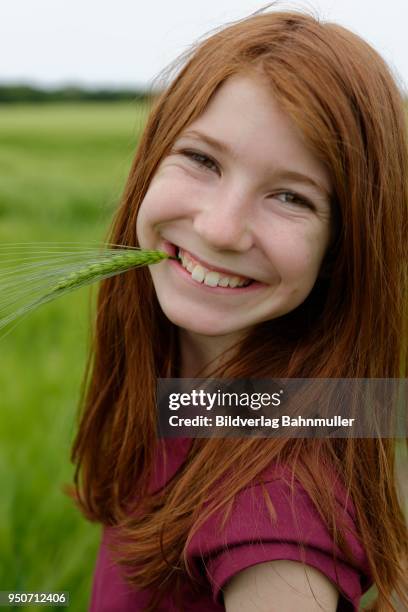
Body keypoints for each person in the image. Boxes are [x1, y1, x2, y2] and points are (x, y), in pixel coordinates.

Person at [68, 8, 408, 611]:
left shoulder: (273, 518)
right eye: (202, 160)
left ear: (342, 251)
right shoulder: (203, 400)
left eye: (289, 196)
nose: (221, 229)